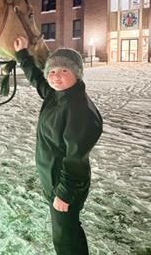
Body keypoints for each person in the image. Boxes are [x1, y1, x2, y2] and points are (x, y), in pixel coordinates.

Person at [14, 36, 103, 255]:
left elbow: (76, 160)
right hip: (53, 179)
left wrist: (64, 194)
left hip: (65, 185)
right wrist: (22, 56)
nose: (56, 77)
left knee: (65, 238)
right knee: (67, 230)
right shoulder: (58, 95)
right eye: (52, 71)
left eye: (64, 71)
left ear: (76, 73)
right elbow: (39, 80)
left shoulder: (78, 109)